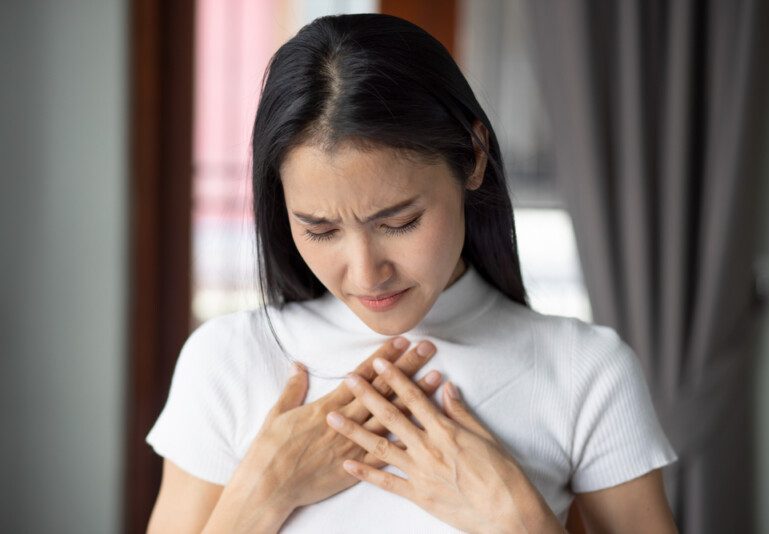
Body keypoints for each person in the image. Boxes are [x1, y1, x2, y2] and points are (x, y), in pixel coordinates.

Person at [145, 13, 679, 533]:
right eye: (321, 230)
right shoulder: (228, 361)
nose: (366, 273)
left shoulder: (585, 374)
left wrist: (518, 521)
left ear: (472, 157)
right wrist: (262, 493)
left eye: (399, 222)